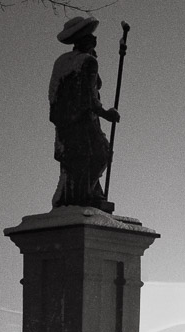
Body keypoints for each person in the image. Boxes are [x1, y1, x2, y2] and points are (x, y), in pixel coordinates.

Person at [49, 16, 121, 211]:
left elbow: (54, 94)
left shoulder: (62, 62)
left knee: (77, 160)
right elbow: (89, 97)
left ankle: (82, 193)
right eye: (91, 38)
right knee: (101, 154)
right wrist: (107, 114)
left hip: (66, 124)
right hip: (83, 121)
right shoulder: (87, 62)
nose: (95, 40)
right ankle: (83, 195)